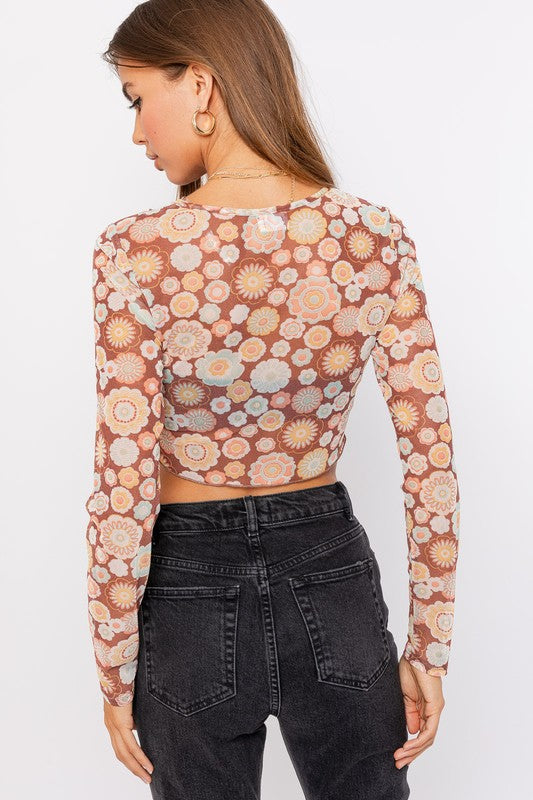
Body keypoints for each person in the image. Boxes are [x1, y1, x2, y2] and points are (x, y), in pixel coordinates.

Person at [85, 1, 460, 797]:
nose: (137, 132)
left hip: (186, 590)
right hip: (331, 574)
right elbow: (430, 458)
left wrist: (115, 667)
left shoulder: (135, 251)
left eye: (137, 98)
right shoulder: (372, 237)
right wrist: (428, 646)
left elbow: (124, 477)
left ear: (200, 85)